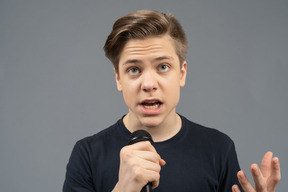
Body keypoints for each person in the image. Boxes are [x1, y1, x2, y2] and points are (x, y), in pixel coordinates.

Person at [63, 10, 281, 192]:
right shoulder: (87, 154)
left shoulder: (218, 148)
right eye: (134, 69)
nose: (148, 84)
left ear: (181, 73)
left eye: (163, 67)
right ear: (118, 78)